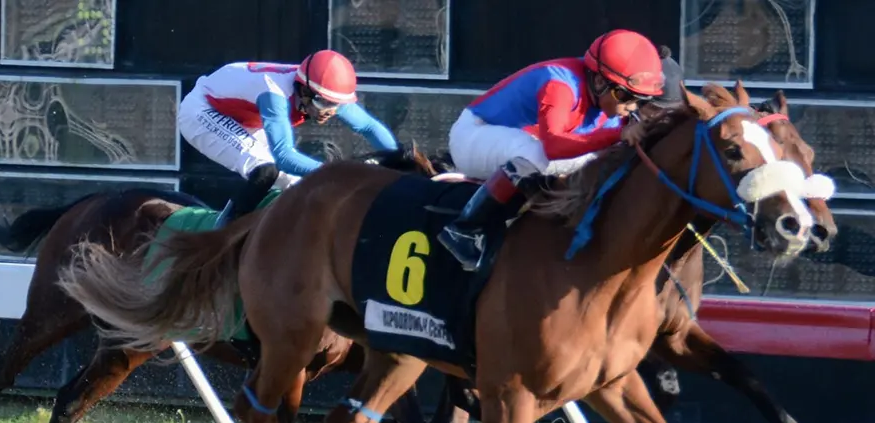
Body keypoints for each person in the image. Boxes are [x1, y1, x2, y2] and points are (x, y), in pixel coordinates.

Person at [438, 29, 665, 272]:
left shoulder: (609, 108)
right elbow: (554, 147)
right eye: (624, 95)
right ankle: (463, 230)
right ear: (599, 81)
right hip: (473, 135)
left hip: (519, 144)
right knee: (537, 156)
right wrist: (617, 135)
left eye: (639, 100)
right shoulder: (559, 83)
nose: (630, 107)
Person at [177, 50, 399, 228]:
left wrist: (400, 164)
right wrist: (339, 174)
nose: (330, 111)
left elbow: (369, 127)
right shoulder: (275, 95)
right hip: (202, 110)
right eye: (324, 104)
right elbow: (283, 157)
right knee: (266, 169)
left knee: (299, 184)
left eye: (336, 105)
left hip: (245, 117)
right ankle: (221, 234)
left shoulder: (324, 91)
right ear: (303, 91)